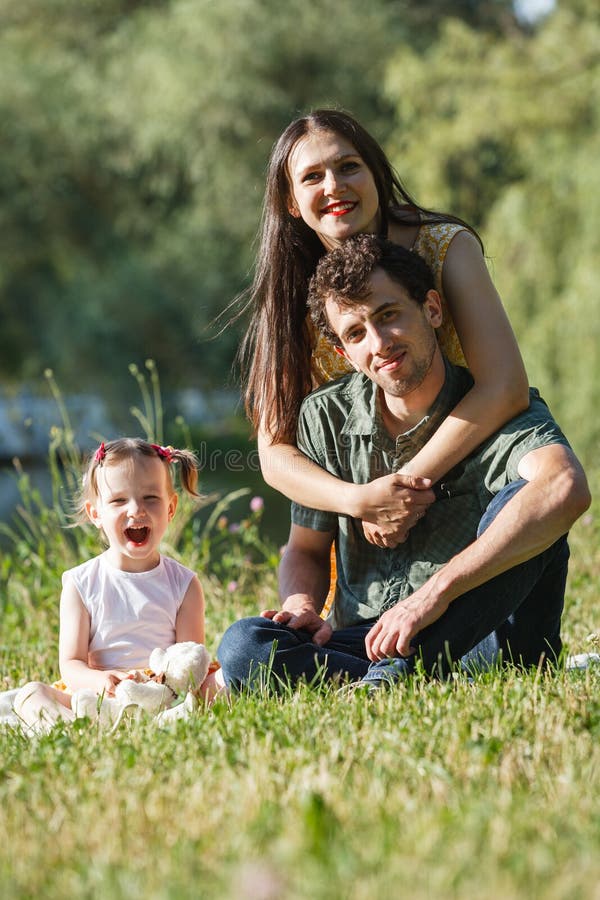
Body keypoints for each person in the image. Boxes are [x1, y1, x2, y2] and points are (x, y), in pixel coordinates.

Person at [218, 236, 591, 689]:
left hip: (484, 641)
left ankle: (391, 680)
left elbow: (564, 487)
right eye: (355, 333)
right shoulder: (324, 416)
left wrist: (433, 597)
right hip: (367, 639)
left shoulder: (497, 410)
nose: (379, 343)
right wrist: (301, 607)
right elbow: (306, 550)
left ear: (432, 309)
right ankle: (387, 680)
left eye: (388, 315)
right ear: (344, 354)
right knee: (243, 645)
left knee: (530, 508)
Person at [240, 108, 530, 547]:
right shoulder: (287, 291)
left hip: (472, 481)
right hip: (370, 529)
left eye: (348, 167)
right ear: (290, 202)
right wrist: (360, 501)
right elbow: (274, 453)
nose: (334, 186)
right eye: (312, 177)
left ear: (376, 174)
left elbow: (506, 387)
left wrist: (404, 487)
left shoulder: (446, 248)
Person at [14, 438, 225, 730]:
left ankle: (165, 717)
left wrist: (161, 685)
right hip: (101, 694)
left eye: (151, 498)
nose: (136, 510)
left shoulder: (185, 584)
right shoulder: (81, 583)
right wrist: (103, 681)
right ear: (95, 513)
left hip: (164, 691)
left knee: (225, 680)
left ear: (171, 508)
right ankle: (73, 728)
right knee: (31, 694)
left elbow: (188, 661)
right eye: (118, 500)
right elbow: (72, 664)